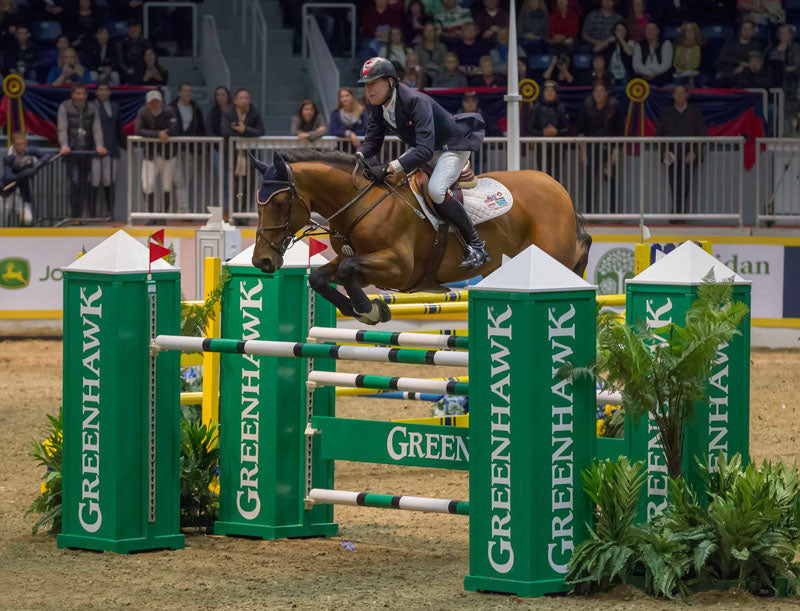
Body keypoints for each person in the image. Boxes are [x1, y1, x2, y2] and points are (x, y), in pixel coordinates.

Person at [356, 57, 489, 268]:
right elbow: (372, 142)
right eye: (366, 85)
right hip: (427, 149)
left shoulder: (416, 101)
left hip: (451, 147)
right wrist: (358, 156)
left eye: (373, 83)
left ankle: (476, 245)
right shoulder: (377, 106)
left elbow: (425, 150)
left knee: (436, 190)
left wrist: (390, 167)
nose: (369, 90)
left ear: (390, 82)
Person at [655, 84, 707, 217]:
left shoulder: (694, 113)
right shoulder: (667, 112)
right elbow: (659, 135)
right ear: (673, 96)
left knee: (686, 183)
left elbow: (702, 134)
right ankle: (677, 212)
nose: (679, 96)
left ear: (687, 95)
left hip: (689, 155)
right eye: (676, 93)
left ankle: (681, 212)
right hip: (671, 155)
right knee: (674, 183)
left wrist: (694, 152)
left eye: (682, 93)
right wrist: (664, 152)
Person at [57, 84, 106, 219]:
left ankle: (81, 213)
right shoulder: (64, 106)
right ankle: (75, 213)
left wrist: (99, 146)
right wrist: (64, 145)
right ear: (73, 95)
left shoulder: (92, 108)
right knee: (74, 181)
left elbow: (97, 128)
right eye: (77, 94)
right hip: (72, 152)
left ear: (86, 95)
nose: (80, 97)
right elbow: (62, 127)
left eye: (83, 94)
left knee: (85, 183)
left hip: (86, 151)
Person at [577, 81, 624, 213]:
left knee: (612, 179)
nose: (598, 93)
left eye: (601, 91)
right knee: (590, 181)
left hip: (610, 148)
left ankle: (615, 214)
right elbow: (581, 131)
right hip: (591, 148)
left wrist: (616, 151)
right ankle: (590, 212)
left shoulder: (615, 106)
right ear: (593, 93)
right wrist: (583, 152)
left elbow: (620, 132)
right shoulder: (586, 105)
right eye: (596, 91)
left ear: (606, 93)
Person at [134, 89, 178, 214]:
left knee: (167, 185)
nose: (154, 104)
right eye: (151, 102)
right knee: (147, 185)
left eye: (156, 102)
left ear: (161, 102)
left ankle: (163, 215)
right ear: (147, 103)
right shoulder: (143, 112)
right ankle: (152, 214)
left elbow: (174, 129)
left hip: (168, 155)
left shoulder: (169, 111)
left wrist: (165, 134)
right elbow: (138, 130)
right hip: (150, 154)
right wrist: (158, 134)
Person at [222, 89, 265, 211]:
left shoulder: (254, 112)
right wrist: (240, 132)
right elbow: (225, 131)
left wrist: (245, 130)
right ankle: (234, 212)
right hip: (233, 155)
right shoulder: (228, 113)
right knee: (235, 186)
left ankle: (245, 213)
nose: (244, 100)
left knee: (249, 186)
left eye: (246, 98)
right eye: (241, 98)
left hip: (250, 155)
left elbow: (261, 131)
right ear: (235, 100)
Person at [2, 132, 55, 226]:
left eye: (24, 143)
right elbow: (8, 177)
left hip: (22, 192)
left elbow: (48, 154)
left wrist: (37, 164)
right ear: (13, 143)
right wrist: (23, 173)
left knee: (28, 219)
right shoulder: (8, 157)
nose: (22, 146)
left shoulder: (29, 151)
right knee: (2, 220)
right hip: (7, 192)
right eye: (19, 144)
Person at [169, 82, 205, 213]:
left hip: (190, 150)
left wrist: (201, 149)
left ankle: (182, 208)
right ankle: (182, 209)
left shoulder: (195, 109)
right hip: (174, 150)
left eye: (190, 91)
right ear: (179, 93)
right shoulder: (171, 108)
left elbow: (201, 129)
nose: (188, 93)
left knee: (188, 179)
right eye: (185, 91)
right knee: (178, 179)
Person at [91, 82, 125, 218]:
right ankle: (92, 213)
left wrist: (126, 145)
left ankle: (110, 212)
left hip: (111, 150)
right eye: (101, 89)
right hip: (95, 150)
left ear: (110, 92)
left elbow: (119, 129)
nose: (103, 92)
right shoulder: (92, 107)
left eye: (106, 89)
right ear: (96, 92)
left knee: (109, 180)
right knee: (94, 180)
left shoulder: (115, 107)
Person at [524, 80, 568, 175]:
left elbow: (567, 129)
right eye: (547, 90)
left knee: (557, 174)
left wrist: (557, 132)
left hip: (558, 147)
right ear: (543, 93)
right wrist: (542, 133)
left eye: (552, 91)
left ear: (556, 93)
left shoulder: (560, 107)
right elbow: (529, 128)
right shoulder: (537, 107)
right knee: (543, 174)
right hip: (541, 147)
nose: (549, 93)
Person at [767, 24, 800, 135]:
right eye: (781, 32)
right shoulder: (771, 48)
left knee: (790, 115)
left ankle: (792, 138)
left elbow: (796, 65)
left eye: (786, 32)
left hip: (789, 86)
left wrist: (787, 69)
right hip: (773, 85)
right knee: (776, 114)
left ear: (791, 35)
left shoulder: (795, 47)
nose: (783, 35)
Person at [715, 20, 762, 86]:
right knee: (720, 76)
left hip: (748, 70)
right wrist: (738, 64)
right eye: (744, 28)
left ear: (753, 31)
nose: (746, 31)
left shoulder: (756, 45)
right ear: (740, 30)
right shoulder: (730, 43)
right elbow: (723, 57)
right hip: (729, 70)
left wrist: (744, 66)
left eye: (749, 29)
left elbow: (757, 61)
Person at [632, 22, 673, 86]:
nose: (650, 31)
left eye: (653, 29)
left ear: (658, 31)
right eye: (647, 29)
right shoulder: (639, 45)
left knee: (661, 79)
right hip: (644, 74)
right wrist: (646, 73)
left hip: (660, 74)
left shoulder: (666, 43)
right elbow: (636, 64)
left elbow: (666, 64)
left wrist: (655, 73)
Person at [113, 20, 152, 84]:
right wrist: (129, 70)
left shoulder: (146, 43)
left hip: (142, 71)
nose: (134, 30)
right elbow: (120, 62)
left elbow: (150, 58)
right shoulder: (121, 43)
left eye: (136, 28)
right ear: (127, 29)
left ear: (140, 29)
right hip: (127, 72)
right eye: (132, 28)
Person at [672, 21, 703, 85]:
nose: (690, 32)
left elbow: (698, 66)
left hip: (696, 76)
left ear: (695, 32)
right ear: (684, 33)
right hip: (680, 75)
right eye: (687, 30)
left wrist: (689, 70)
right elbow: (676, 64)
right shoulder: (678, 46)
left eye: (692, 30)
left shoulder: (700, 47)